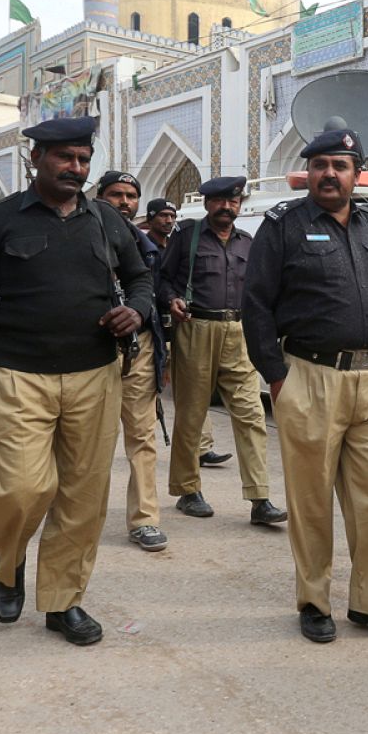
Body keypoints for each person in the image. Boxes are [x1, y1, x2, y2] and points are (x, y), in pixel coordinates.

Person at [0, 115, 154, 647]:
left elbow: (141, 277)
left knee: (82, 496)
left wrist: (139, 312)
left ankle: (63, 601)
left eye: (83, 160)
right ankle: (8, 564)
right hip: (16, 376)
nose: (76, 169)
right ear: (35, 158)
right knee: (22, 488)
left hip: (95, 376)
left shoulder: (106, 220)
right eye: (65, 158)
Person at [242, 128, 368, 643]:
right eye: (319, 165)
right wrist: (276, 376)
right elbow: (256, 305)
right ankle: (314, 601)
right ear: (309, 172)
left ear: (356, 172)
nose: (329, 174)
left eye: (339, 165)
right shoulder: (284, 227)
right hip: (310, 378)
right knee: (312, 501)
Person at [156, 177, 284, 525]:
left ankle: (260, 499)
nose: (227, 207)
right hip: (197, 329)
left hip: (239, 332)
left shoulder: (248, 242)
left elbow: (261, 290)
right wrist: (172, 300)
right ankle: (187, 490)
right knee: (191, 415)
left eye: (233, 201)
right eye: (220, 201)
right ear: (207, 203)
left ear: (240, 204)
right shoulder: (186, 237)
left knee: (251, 415)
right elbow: (161, 279)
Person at [95, 171, 168, 552]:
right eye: (115, 195)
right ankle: (81, 517)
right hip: (90, 353)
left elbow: (155, 289)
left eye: (131, 196)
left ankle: (144, 519)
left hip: (137, 349)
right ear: (99, 197)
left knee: (142, 436)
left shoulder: (145, 242)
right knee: (89, 441)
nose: (124, 202)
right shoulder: (82, 232)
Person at [142, 196, 230, 469]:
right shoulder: (143, 246)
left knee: (195, 392)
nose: (168, 220)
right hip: (154, 326)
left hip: (180, 326)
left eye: (172, 216)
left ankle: (202, 447)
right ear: (151, 218)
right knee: (156, 392)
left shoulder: (181, 243)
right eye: (162, 216)